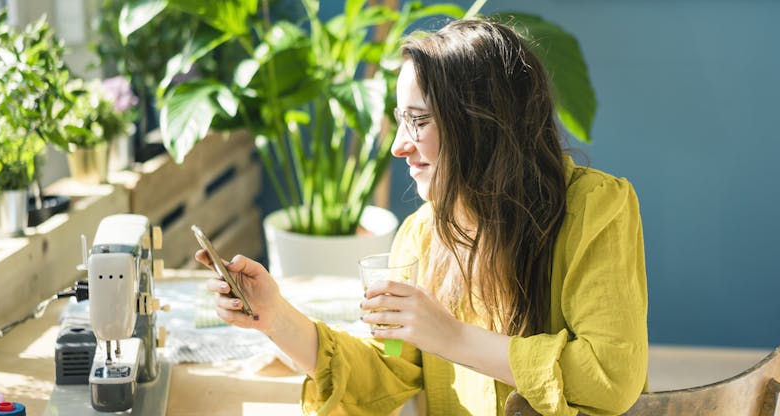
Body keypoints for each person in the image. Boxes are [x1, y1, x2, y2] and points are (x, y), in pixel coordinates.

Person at [197, 18, 648, 416]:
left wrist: (448, 336)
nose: (398, 147)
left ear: (482, 125)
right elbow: (384, 373)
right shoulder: (421, 237)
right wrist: (274, 316)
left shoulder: (596, 208)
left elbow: (610, 377)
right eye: (400, 120)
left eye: (419, 121)